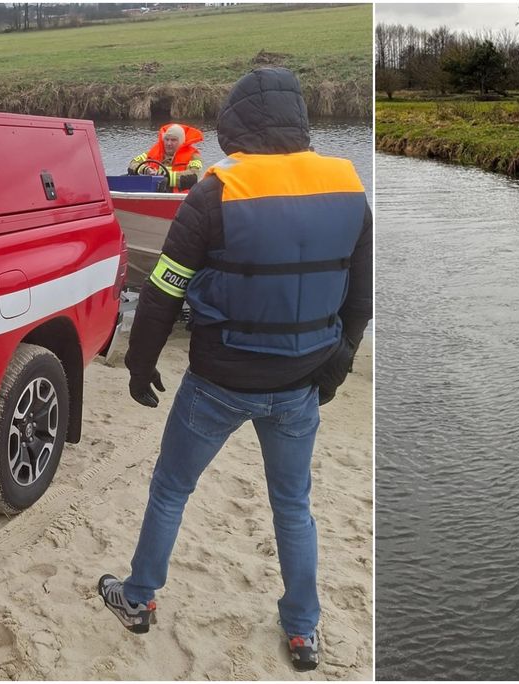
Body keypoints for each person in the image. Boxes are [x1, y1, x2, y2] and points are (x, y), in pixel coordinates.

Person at [98, 67, 372, 673]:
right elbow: (360, 298)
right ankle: (303, 630)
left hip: (218, 383)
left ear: (236, 125)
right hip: (301, 383)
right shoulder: (349, 187)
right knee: (293, 506)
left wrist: (139, 364)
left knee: (171, 488)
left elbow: (165, 287)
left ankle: (138, 598)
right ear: (298, 120)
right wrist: (340, 362)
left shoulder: (216, 191)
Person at [127, 122, 205, 192]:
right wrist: (146, 170)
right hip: (153, 194)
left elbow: (194, 176)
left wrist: (165, 177)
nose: (169, 143)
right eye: (166, 139)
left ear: (181, 142)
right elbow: (133, 164)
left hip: (179, 199)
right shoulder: (152, 153)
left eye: (173, 140)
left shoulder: (193, 156)